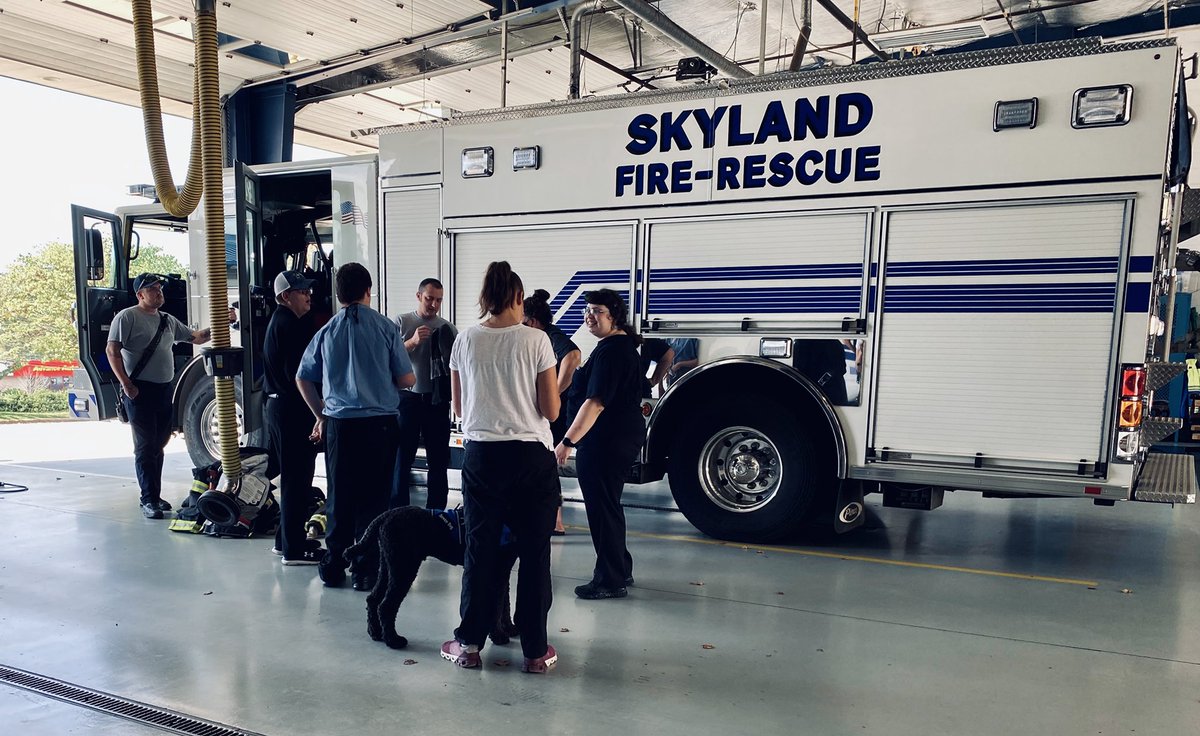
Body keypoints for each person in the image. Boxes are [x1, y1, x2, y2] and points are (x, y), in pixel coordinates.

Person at [441, 261, 561, 674]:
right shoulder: (537, 340)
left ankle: (469, 644)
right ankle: (534, 652)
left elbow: (459, 407)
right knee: (534, 554)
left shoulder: (466, 340)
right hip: (531, 459)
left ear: (485, 298)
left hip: (482, 457)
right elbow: (550, 408)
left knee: (480, 550)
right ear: (518, 297)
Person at [296, 263, 415, 590]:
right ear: (369, 290)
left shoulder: (326, 331)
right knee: (375, 497)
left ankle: (334, 563)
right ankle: (366, 569)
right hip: (380, 426)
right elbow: (407, 378)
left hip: (340, 427)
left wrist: (321, 414)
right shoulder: (386, 328)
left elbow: (303, 377)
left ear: (338, 294)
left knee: (340, 493)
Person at [555, 289, 644, 600]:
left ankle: (609, 580)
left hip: (607, 441)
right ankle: (621, 568)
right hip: (616, 438)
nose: (588, 315)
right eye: (587, 309)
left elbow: (595, 403)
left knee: (601, 508)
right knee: (608, 505)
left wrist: (567, 441)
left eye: (596, 310)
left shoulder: (612, 352)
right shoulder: (615, 346)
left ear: (614, 316)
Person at [107, 273, 212, 519]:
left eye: (159, 288)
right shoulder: (127, 317)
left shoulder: (167, 320)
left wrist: (223, 322)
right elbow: (112, 351)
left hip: (164, 390)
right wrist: (126, 384)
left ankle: (155, 495)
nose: (158, 292)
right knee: (145, 447)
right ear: (140, 295)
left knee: (159, 444)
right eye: (152, 289)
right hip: (140, 390)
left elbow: (196, 337)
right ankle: (148, 500)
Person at [263, 270, 323, 566]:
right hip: (293, 410)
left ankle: (283, 540)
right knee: (298, 479)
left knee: (294, 477)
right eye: (301, 291)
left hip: (281, 408)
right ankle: (294, 550)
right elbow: (302, 378)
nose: (308, 295)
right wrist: (319, 414)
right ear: (286, 296)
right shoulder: (292, 326)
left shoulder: (283, 322)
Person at [392, 278, 457, 511]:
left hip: (436, 401)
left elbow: (457, 365)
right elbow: (387, 358)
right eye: (429, 298)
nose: (434, 304)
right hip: (407, 399)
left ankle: (435, 514)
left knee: (438, 461)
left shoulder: (447, 327)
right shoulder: (401, 321)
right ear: (419, 296)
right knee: (402, 459)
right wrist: (412, 342)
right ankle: (399, 514)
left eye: (439, 300)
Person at [523, 288, 581, 535]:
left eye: (523, 322)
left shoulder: (548, 336)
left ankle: (556, 521)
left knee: (546, 466)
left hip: (556, 415)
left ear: (533, 321)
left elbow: (573, 355)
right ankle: (552, 519)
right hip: (553, 414)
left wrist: (553, 395)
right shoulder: (543, 336)